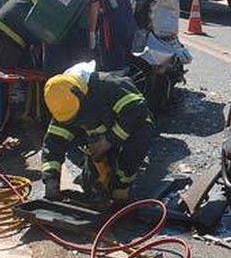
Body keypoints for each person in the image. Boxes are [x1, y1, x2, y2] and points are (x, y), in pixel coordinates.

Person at [41, 61, 154, 202]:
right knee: (93, 187)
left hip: (129, 127)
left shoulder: (111, 85)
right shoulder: (63, 99)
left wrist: (108, 141)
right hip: (98, 136)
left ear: (82, 95)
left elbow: (137, 112)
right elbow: (54, 141)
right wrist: (51, 179)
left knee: (138, 140)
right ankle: (106, 172)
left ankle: (122, 185)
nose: (74, 120)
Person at [0, 0, 38, 69]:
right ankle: (1, 80)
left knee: (22, 64)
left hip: (5, 26)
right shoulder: (40, 3)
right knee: (8, 66)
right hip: (8, 29)